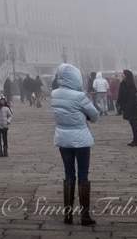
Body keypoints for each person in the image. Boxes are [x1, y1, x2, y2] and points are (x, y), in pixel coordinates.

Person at [50, 63, 98, 226]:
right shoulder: (79, 96)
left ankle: (68, 215)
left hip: (63, 138)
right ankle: (85, 216)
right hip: (81, 140)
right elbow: (95, 115)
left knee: (69, 174)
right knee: (83, 174)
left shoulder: (54, 94)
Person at [115, 69, 137, 146]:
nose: (121, 75)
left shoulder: (125, 84)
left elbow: (122, 95)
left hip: (130, 106)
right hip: (132, 106)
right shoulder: (131, 84)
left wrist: (119, 103)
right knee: (134, 124)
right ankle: (136, 140)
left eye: (123, 74)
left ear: (126, 75)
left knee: (134, 124)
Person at [0, 91, 12, 157]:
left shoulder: (6, 108)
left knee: (5, 138)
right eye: (1, 100)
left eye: (3, 100)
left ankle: (5, 151)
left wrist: (8, 121)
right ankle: (0, 151)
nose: (2, 102)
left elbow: (10, 115)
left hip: (5, 126)